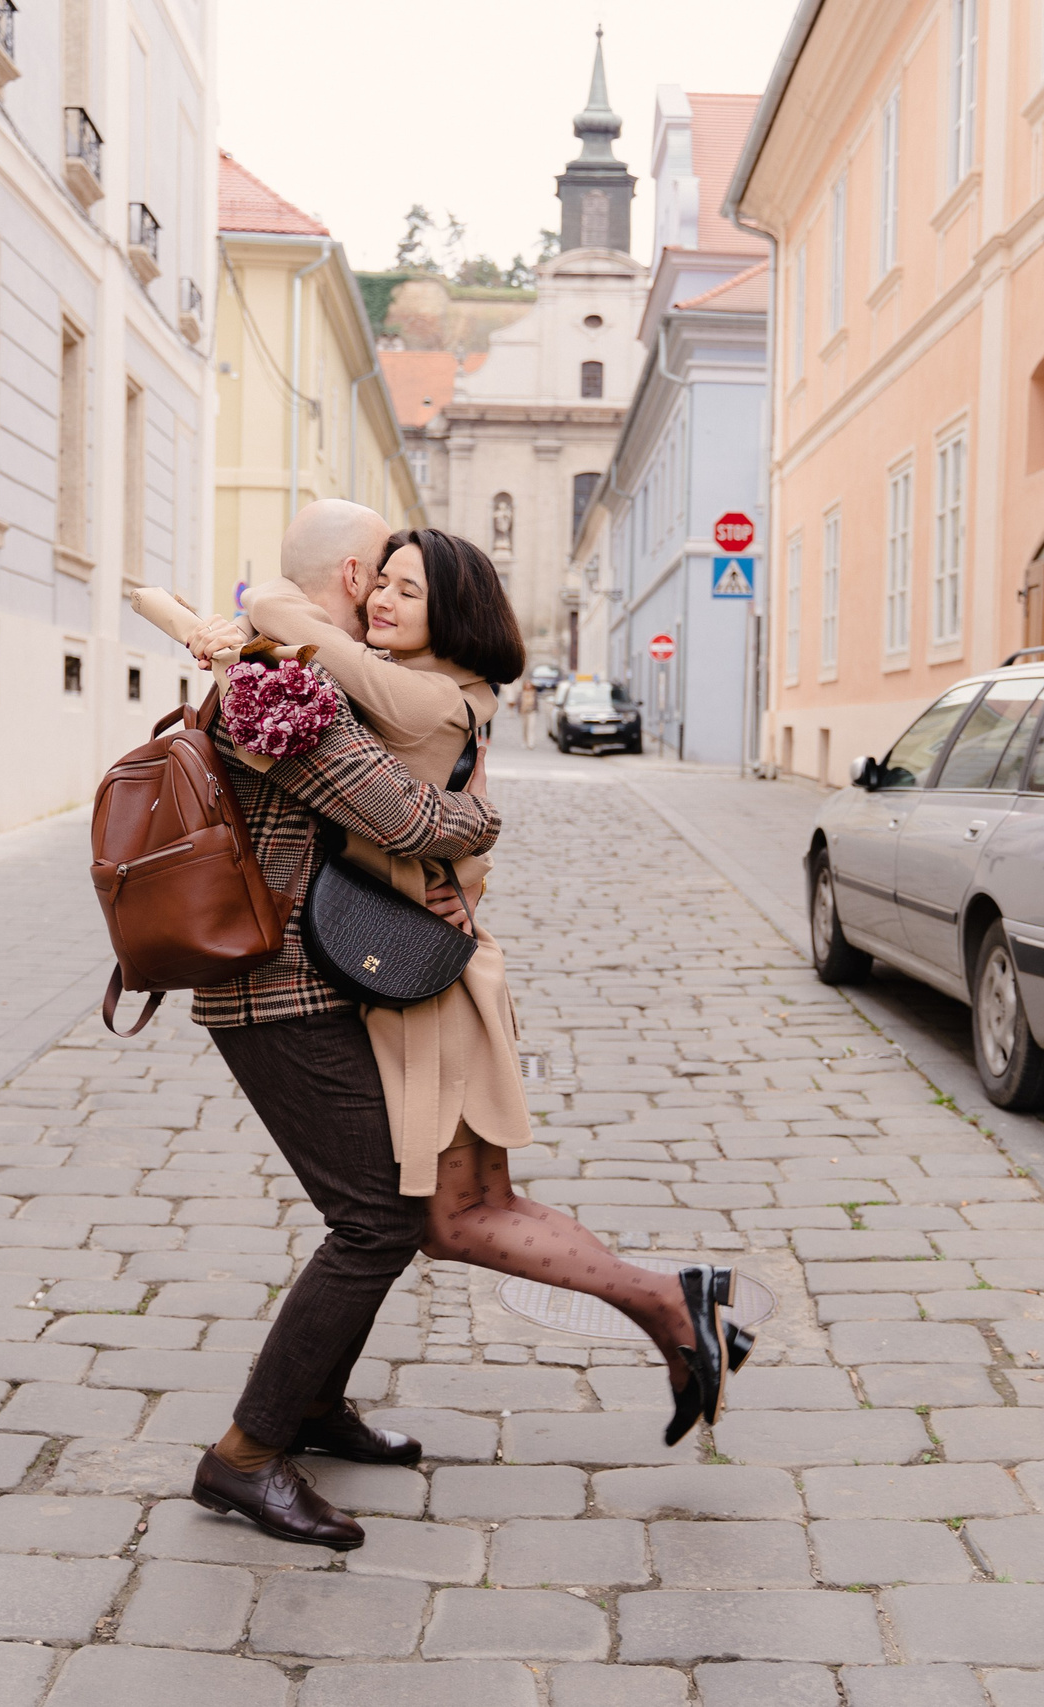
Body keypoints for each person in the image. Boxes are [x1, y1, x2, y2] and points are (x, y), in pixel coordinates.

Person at [201, 516, 749, 1451]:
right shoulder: (419, 691)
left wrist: (262, 611)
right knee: (460, 1209)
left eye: (406, 588)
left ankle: (669, 1299)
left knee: (441, 1218)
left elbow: (414, 815)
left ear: (450, 612)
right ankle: (670, 1303)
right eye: (380, 580)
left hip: (421, 985)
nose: (380, 596)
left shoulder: (429, 698)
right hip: (429, 971)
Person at [186, 504, 501, 1552]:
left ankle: (313, 1409)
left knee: (375, 1212)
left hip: (301, 982)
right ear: (358, 574)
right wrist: (482, 822)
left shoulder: (287, 664)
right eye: (385, 580)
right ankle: (245, 1455)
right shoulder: (282, 683)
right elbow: (406, 817)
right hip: (271, 993)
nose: (386, 600)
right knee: (375, 1220)